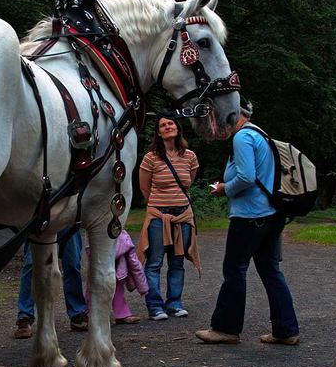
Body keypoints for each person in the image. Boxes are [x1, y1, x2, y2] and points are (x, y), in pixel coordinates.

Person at [195, 98, 299, 345]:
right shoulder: (261, 134)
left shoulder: (242, 137)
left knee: (234, 269)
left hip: (250, 216)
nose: (217, 121)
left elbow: (246, 177)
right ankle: (286, 330)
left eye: (219, 115)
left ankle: (226, 328)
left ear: (232, 113)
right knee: (271, 271)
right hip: (271, 214)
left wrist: (224, 188)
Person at [137, 116, 201, 321]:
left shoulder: (190, 156)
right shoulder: (150, 158)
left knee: (177, 261)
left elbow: (188, 182)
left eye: (170, 123)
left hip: (182, 216)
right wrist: (160, 206)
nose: (167, 127)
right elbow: (144, 188)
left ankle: (174, 303)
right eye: (163, 125)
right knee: (154, 261)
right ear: (158, 132)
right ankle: (155, 306)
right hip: (158, 217)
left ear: (177, 128)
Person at [13, 228, 89, 338]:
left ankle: (77, 314)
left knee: (73, 263)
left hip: (69, 218)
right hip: (42, 219)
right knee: (32, 263)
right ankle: (25, 316)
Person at [85, 228, 149, 324]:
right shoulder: (94, 234)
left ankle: (122, 314)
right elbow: (89, 250)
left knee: (118, 290)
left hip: (119, 270)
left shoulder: (123, 236)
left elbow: (134, 262)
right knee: (93, 289)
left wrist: (143, 287)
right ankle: (89, 313)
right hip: (99, 266)